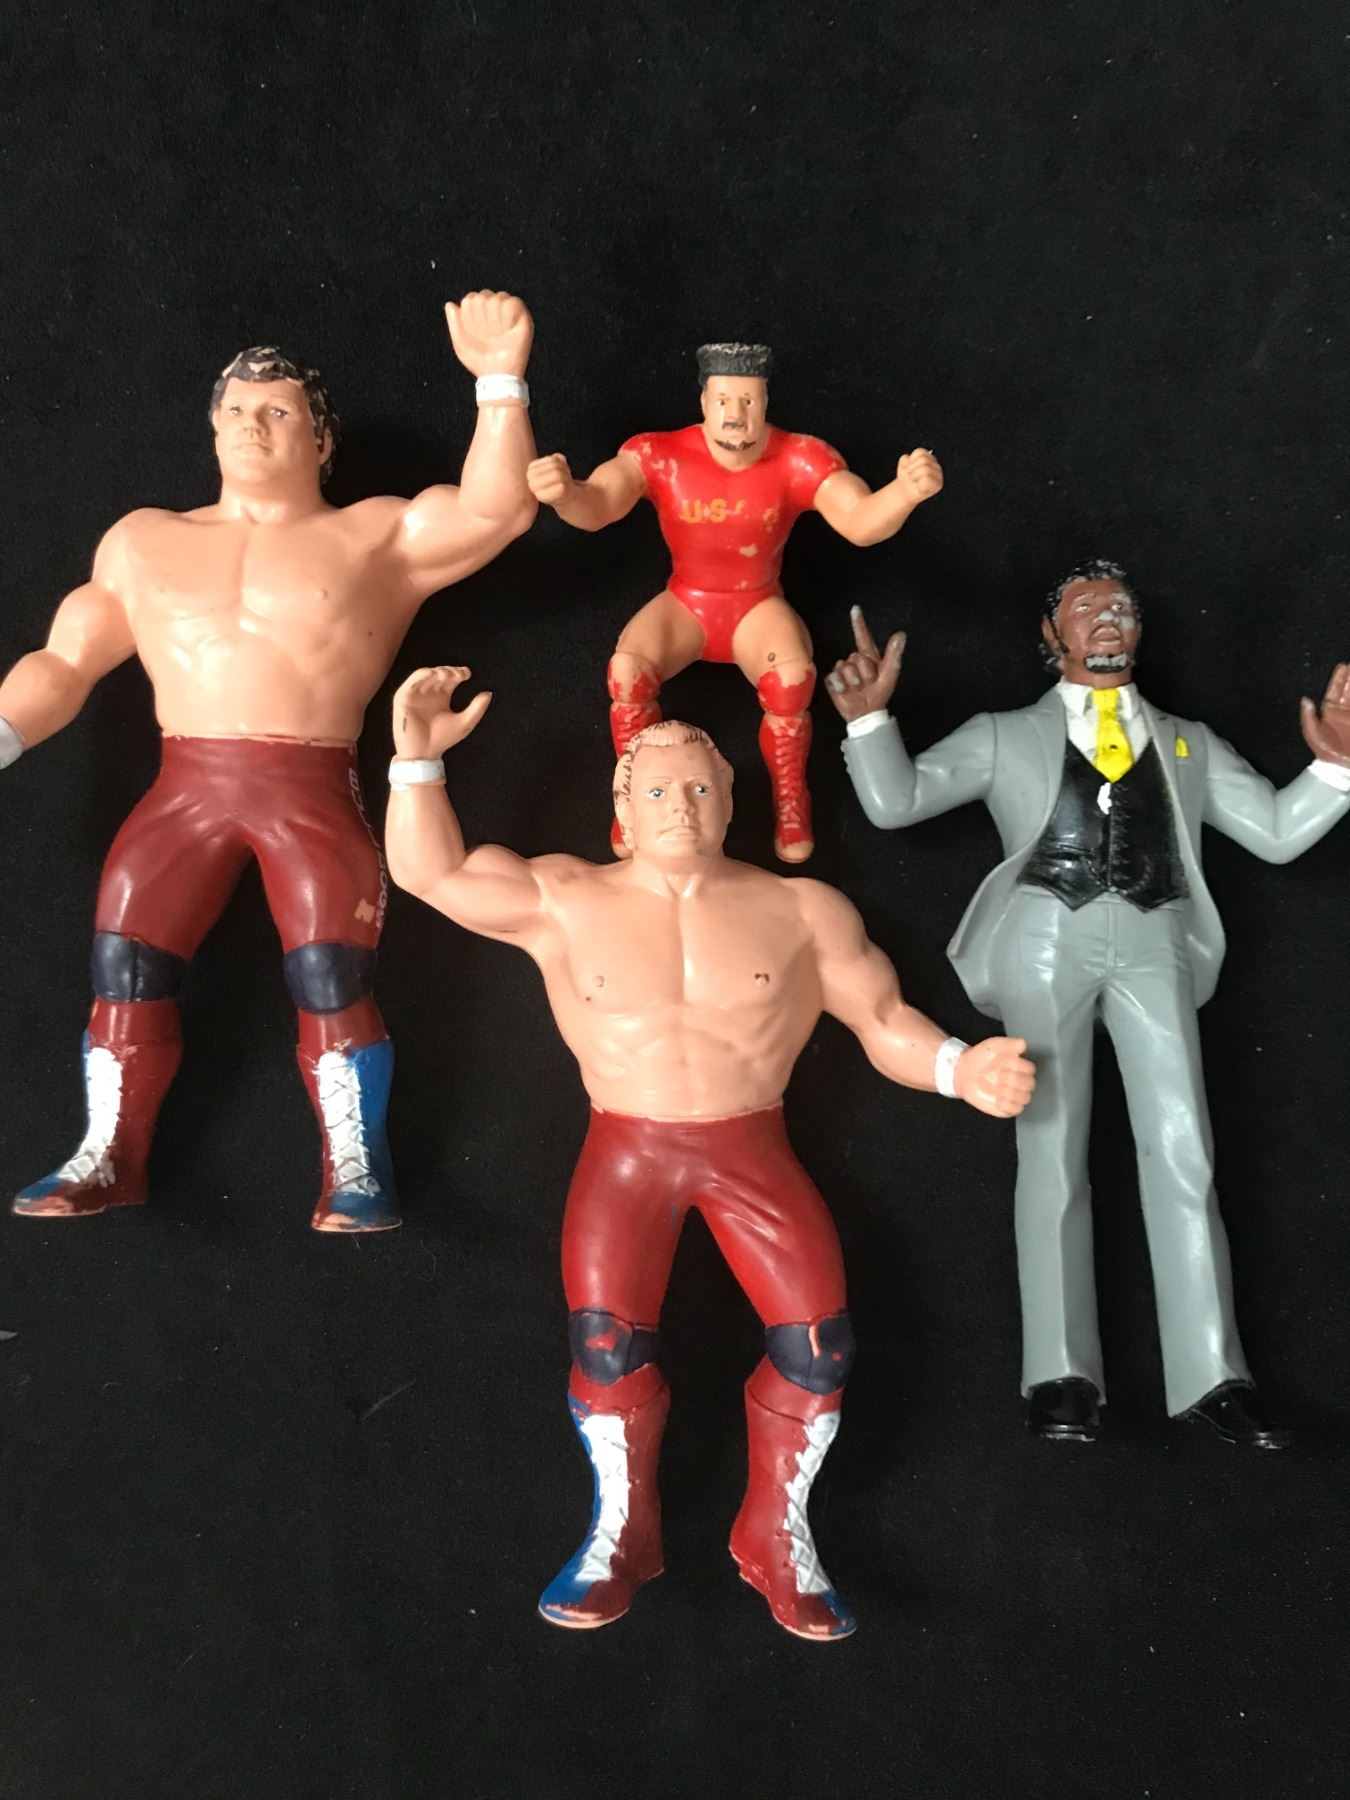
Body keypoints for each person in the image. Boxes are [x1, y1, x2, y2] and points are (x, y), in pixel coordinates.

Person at [383, 666, 1034, 1638]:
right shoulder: (565, 898)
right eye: (657, 789)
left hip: (751, 1147)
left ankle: (776, 1531)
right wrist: (417, 763)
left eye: (699, 786)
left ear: (732, 799)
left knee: (821, 1346)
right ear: (622, 807)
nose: (680, 805)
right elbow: (430, 875)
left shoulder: (803, 910)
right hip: (627, 1149)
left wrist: (958, 1066)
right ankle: (621, 1529)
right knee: (605, 1341)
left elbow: (883, 1018)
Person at [0, 293, 538, 1231]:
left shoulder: (372, 535)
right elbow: (65, 662)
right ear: (211, 427)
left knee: (332, 973)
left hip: (309, 787)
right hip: (184, 785)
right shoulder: (144, 541)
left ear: (321, 441)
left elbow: (496, 511)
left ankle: (355, 1167)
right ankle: (108, 1152)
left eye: (279, 410)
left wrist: (500, 382)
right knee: (123, 961)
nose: (254, 424)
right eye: (238, 410)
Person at [827, 564, 1350, 1444]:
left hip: (1155, 943)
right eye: (1086, 607)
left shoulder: (1187, 743)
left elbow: (1273, 832)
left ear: (1140, 632)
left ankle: (1213, 1374)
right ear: (1053, 636)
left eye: (1122, 608)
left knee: (1185, 1148)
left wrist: (1336, 769)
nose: (1107, 618)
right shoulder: (1004, 736)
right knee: (1051, 1147)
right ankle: (1060, 1374)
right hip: (1044, 940)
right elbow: (897, 802)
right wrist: (869, 721)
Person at [525, 341, 942, 862]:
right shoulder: (660, 454)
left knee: (792, 679)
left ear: (766, 402)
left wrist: (904, 493)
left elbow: (858, 521)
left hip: (756, 607)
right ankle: (631, 797)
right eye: (723, 400)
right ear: (704, 401)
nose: (735, 415)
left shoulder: (800, 458)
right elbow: (603, 502)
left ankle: (791, 798)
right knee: (627, 672)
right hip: (687, 602)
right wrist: (566, 493)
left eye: (748, 401)